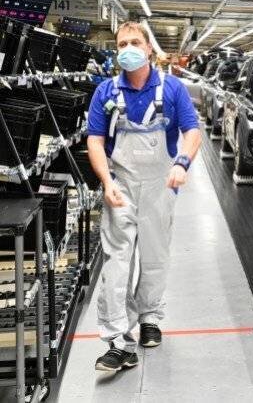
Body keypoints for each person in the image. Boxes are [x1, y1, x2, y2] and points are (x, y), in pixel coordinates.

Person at [86, 21, 202, 372]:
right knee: (117, 261)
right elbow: (94, 140)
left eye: (135, 42)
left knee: (154, 258)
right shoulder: (105, 92)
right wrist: (106, 181)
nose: (128, 49)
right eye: (122, 44)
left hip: (160, 185)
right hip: (121, 184)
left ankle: (149, 316)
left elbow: (192, 130)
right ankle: (117, 339)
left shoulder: (173, 89)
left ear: (149, 49)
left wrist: (182, 162)